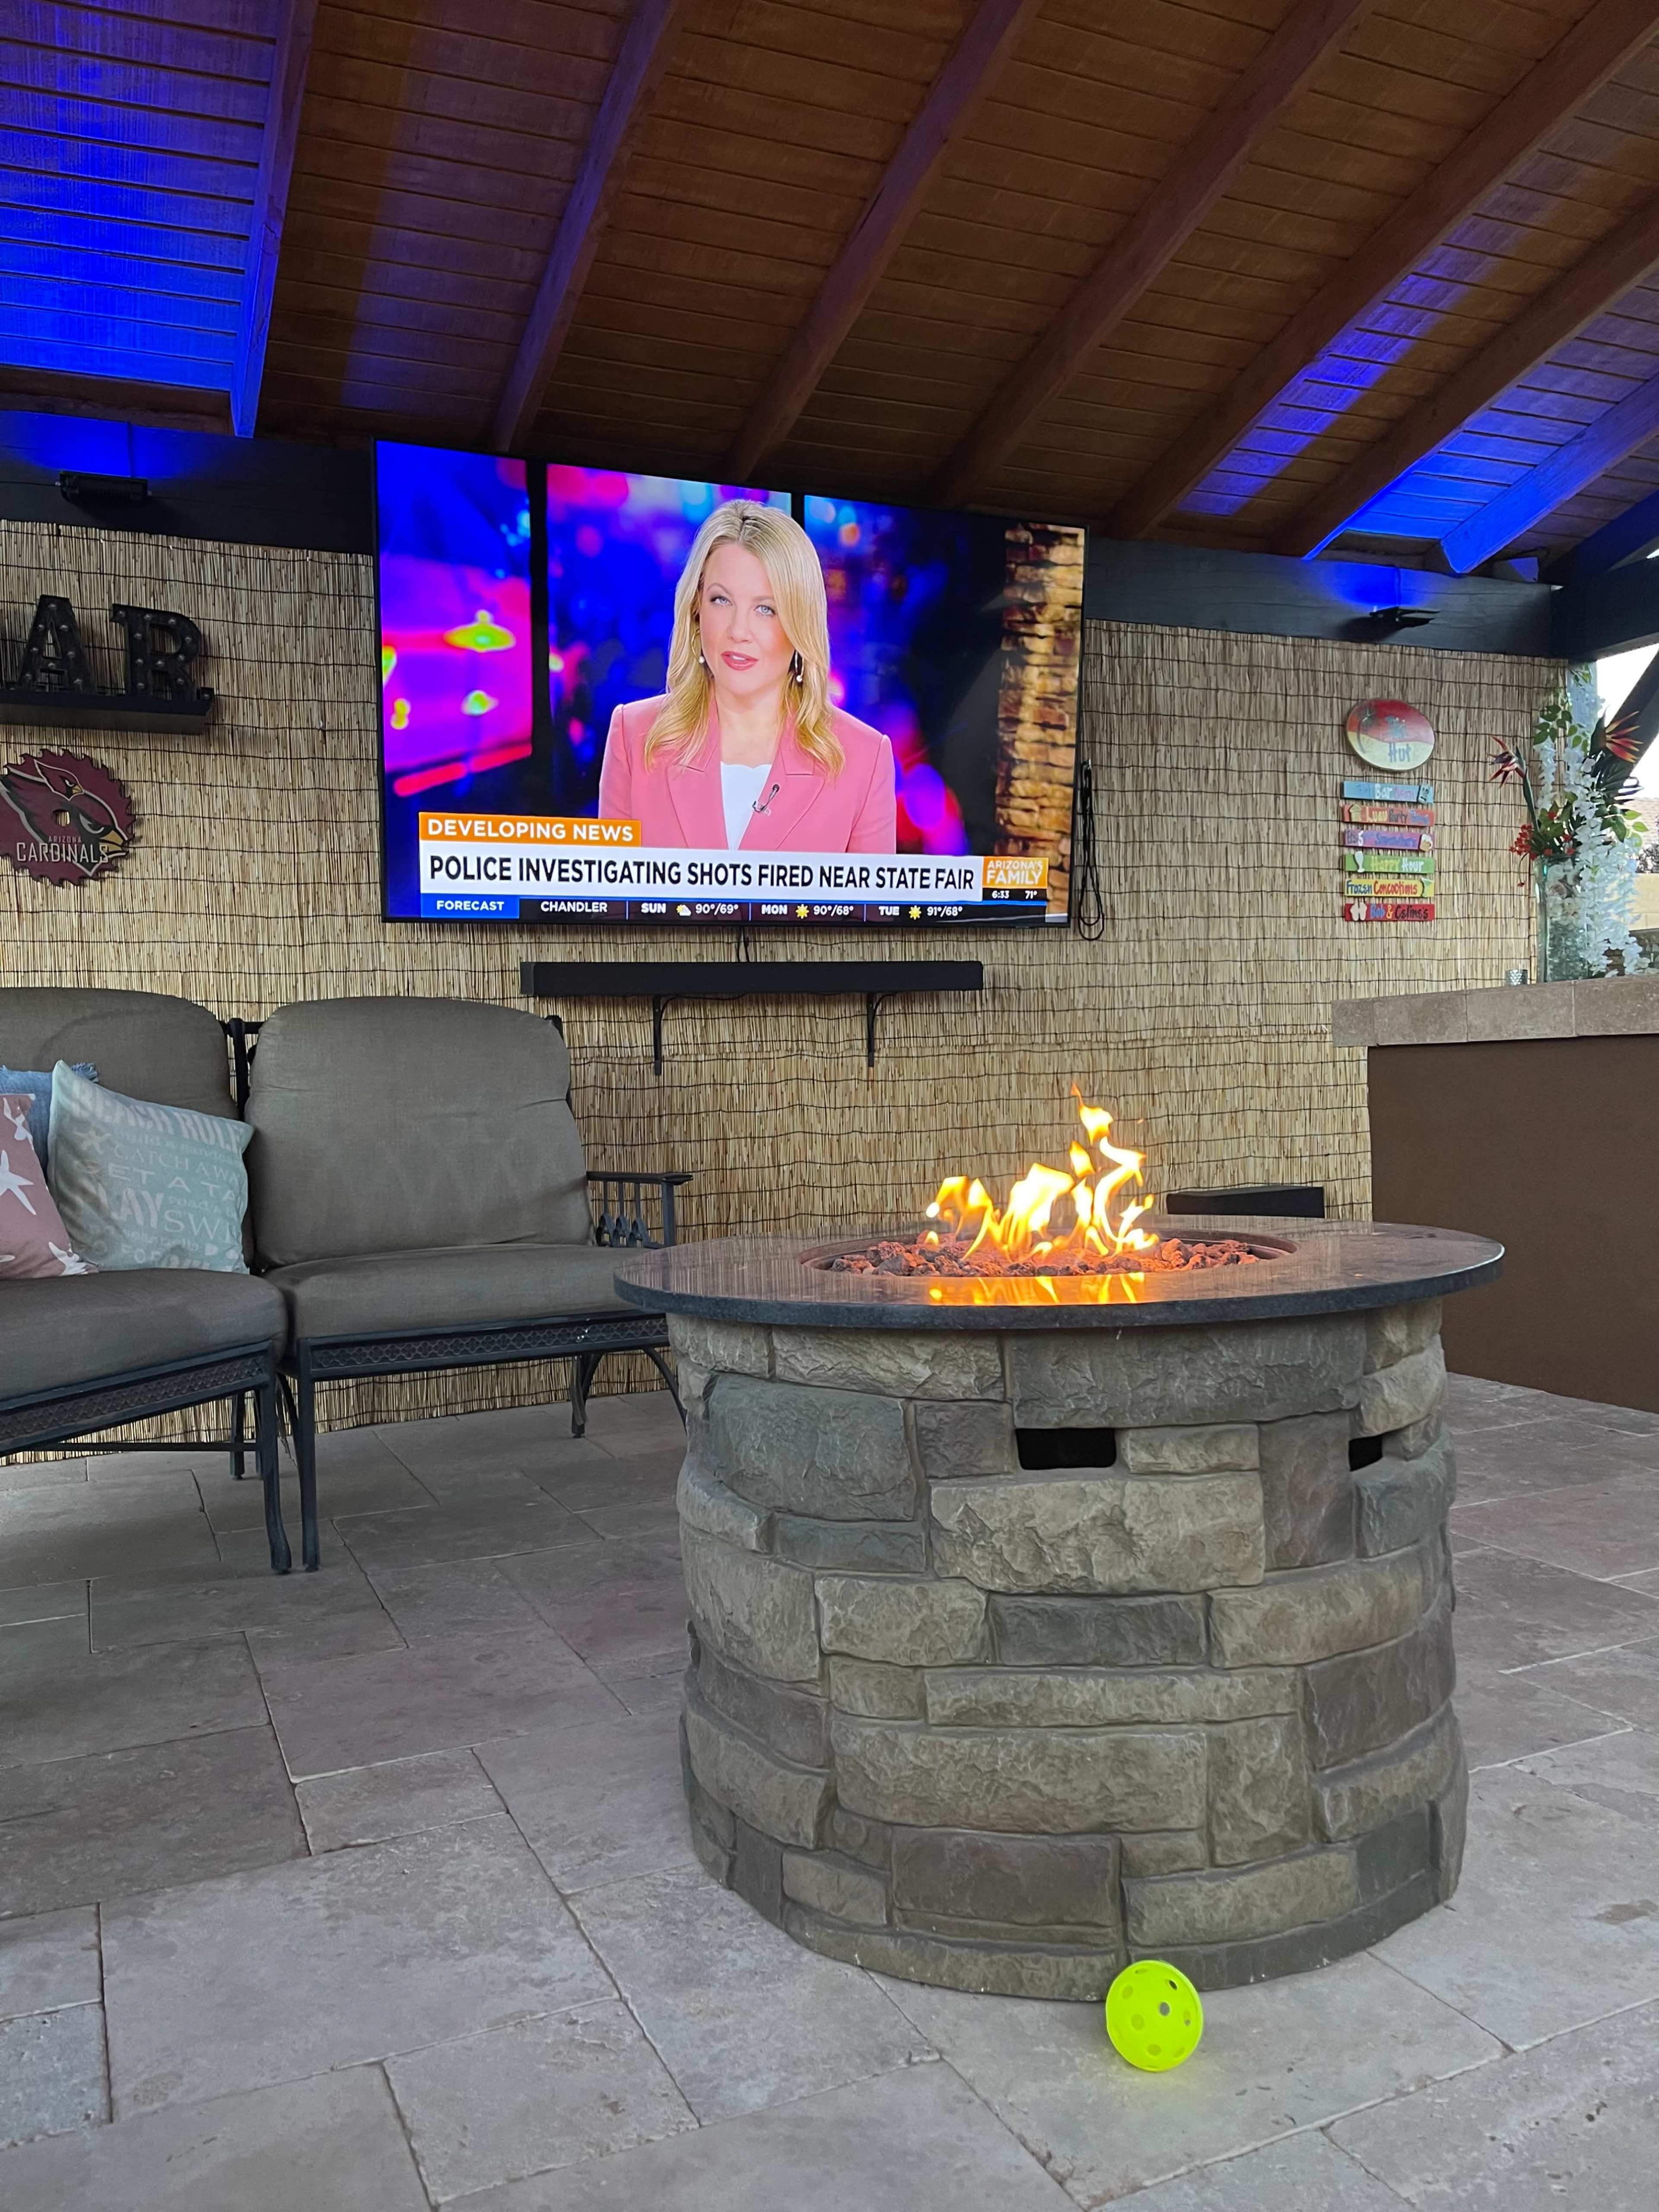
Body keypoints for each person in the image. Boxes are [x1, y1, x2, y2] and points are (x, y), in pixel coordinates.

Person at [597, 500, 896, 852]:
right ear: (696, 609)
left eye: (766, 609)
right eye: (721, 601)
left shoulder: (864, 759)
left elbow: (870, 893)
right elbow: (608, 889)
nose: (739, 631)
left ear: (800, 622)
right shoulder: (634, 736)